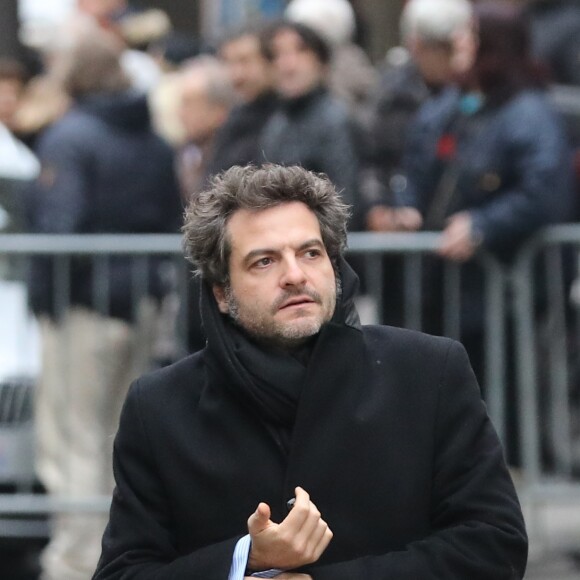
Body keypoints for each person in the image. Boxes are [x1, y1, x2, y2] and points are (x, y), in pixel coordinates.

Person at [94, 163, 527, 579]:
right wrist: (245, 558)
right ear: (222, 293)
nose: (295, 275)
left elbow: (492, 546)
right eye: (264, 261)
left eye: (311, 253)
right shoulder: (159, 407)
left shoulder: (428, 372)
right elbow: (124, 571)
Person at [27, 29, 182, 580]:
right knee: (117, 437)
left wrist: (44, 297)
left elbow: (58, 227)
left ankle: (74, 562)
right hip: (137, 302)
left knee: (73, 439)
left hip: (83, 307)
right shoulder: (153, 137)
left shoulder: (70, 137)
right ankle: (115, 556)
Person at [259, 20, 361, 225]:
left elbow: (345, 199)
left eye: (300, 51)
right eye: (276, 55)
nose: (287, 65)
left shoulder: (336, 120)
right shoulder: (276, 124)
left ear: (321, 62)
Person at [205, 23, 279, 176]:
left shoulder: (290, 118)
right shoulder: (235, 118)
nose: (236, 75)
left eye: (245, 61)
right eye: (229, 63)